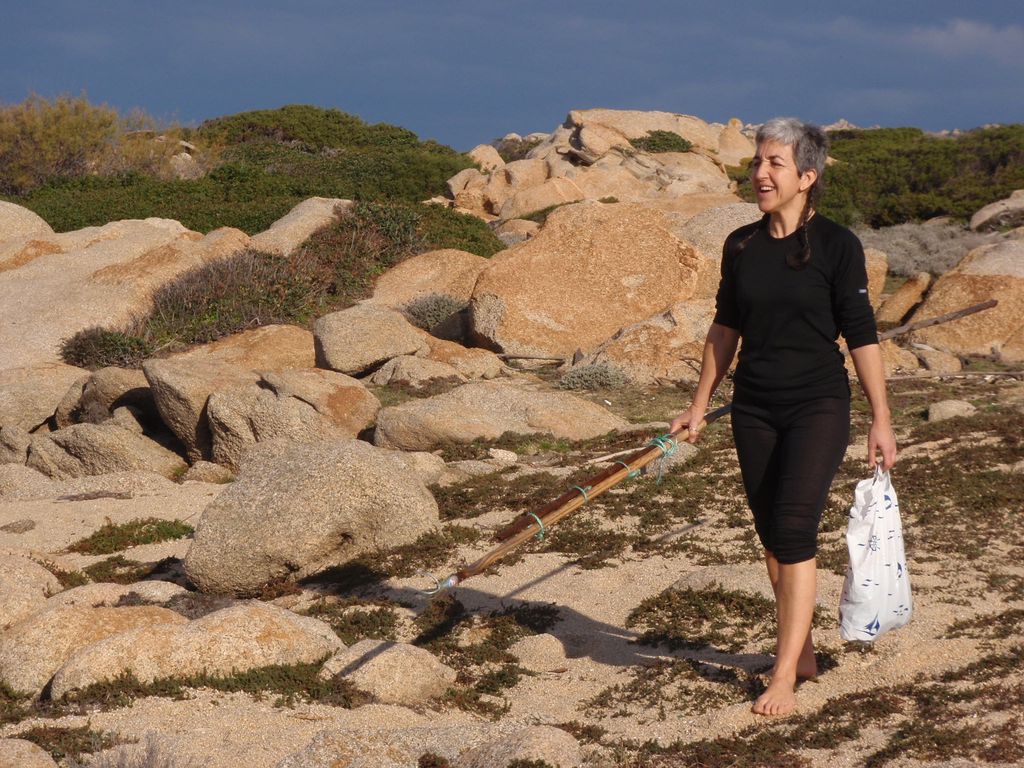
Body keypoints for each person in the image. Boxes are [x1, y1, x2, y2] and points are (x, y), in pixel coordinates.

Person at [669, 117, 897, 716]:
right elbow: (725, 329)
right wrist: (697, 407)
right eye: (758, 162)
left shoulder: (837, 246)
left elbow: (862, 336)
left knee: (794, 531)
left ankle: (784, 675)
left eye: (775, 164)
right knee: (773, 536)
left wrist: (881, 419)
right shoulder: (741, 244)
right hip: (755, 407)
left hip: (818, 403)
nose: (761, 173)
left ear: (807, 176)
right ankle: (804, 651)